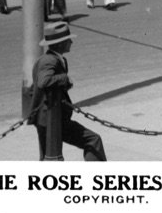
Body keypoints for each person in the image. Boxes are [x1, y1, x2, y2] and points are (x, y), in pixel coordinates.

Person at [27, 23, 106, 161]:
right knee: (93, 140)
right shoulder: (49, 61)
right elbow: (43, 81)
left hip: (49, 118)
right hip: (51, 119)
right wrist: (65, 79)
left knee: (47, 157)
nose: (71, 42)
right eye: (68, 40)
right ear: (60, 44)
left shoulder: (54, 59)